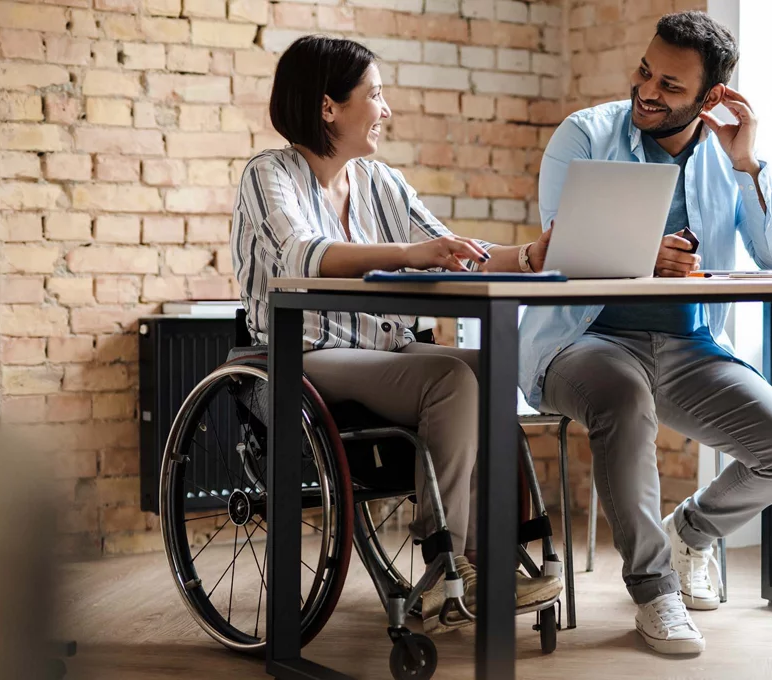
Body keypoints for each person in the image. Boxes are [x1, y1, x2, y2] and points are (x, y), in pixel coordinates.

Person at [230, 35, 560, 633]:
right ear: (328, 107)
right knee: (450, 377)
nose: (386, 110)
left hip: (383, 350)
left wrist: (534, 254)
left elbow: (458, 252)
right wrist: (411, 253)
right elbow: (304, 254)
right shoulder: (268, 175)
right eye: (375, 95)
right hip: (299, 355)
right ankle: (447, 562)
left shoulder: (383, 182)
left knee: (489, 366)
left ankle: (495, 554)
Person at [520, 11, 772, 654]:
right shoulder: (585, 134)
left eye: (671, 86)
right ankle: (655, 591)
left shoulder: (723, 153)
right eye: (644, 71)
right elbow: (557, 249)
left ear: (710, 97)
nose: (648, 91)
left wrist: (748, 163)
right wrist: (642, 253)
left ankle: (690, 531)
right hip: (584, 343)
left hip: (690, 349)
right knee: (624, 398)